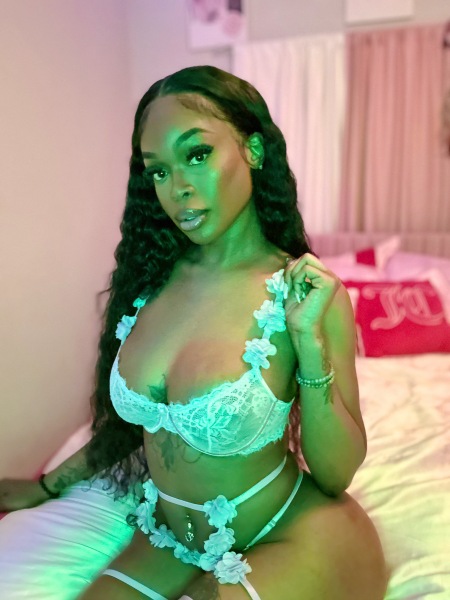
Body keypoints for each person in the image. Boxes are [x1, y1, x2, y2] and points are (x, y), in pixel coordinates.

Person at [0, 65, 388, 599]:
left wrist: (308, 342)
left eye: (198, 155)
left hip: (291, 535)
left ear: (253, 149)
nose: (178, 188)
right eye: (158, 171)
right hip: (170, 538)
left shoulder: (302, 293)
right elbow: (126, 431)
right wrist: (46, 486)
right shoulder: (150, 281)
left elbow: (336, 472)